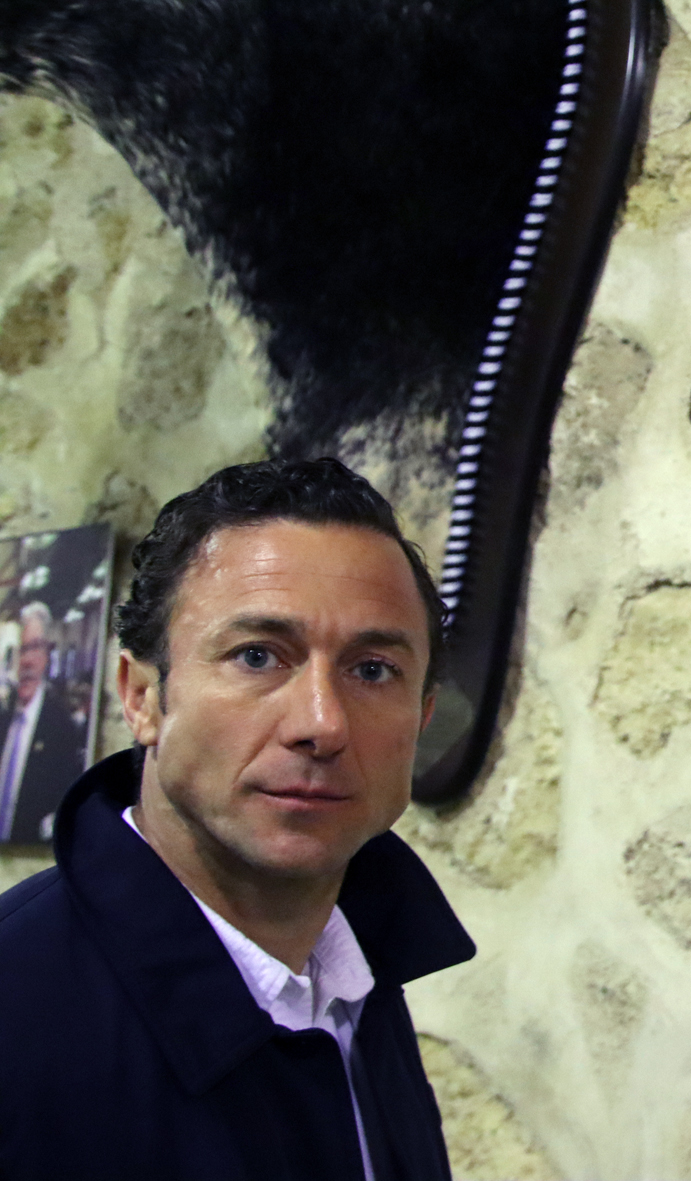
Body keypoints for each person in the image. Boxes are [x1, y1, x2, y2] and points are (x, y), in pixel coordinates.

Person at [0, 458, 473, 1180]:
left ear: (423, 717)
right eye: (257, 656)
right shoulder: (17, 1007)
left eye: (372, 669)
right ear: (142, 697)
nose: (322, 723)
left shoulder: (357, 976)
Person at [0, 602, 88, 844]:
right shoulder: (3, 721)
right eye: (22, 649)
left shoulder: (62, 729)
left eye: (35, 647)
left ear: (47, 655)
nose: (27, 660)